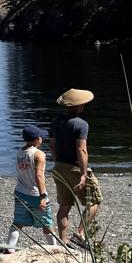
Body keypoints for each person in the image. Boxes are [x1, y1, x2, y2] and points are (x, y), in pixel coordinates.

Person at [51, 88, 101, 250]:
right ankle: (79, 234)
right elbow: (82, 150)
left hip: (59, 167)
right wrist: (84, 173)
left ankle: (63, 242)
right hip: (75, 168)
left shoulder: (56, 121)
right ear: (79, 106)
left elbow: (52, 145)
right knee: (94, 202)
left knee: (64, 206)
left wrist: (58, 161)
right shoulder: (81, 124)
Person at [5, 125, 58, 252]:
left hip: (20, 192)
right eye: (40, 137)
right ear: (36, 139)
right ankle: (55, 250)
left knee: (18, 222)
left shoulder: (19, 152)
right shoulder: (39, 154)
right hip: (35, 194)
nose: (42, 139)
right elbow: (39, 176)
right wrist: (43, 196)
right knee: (47, 223)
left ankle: (9, 249)